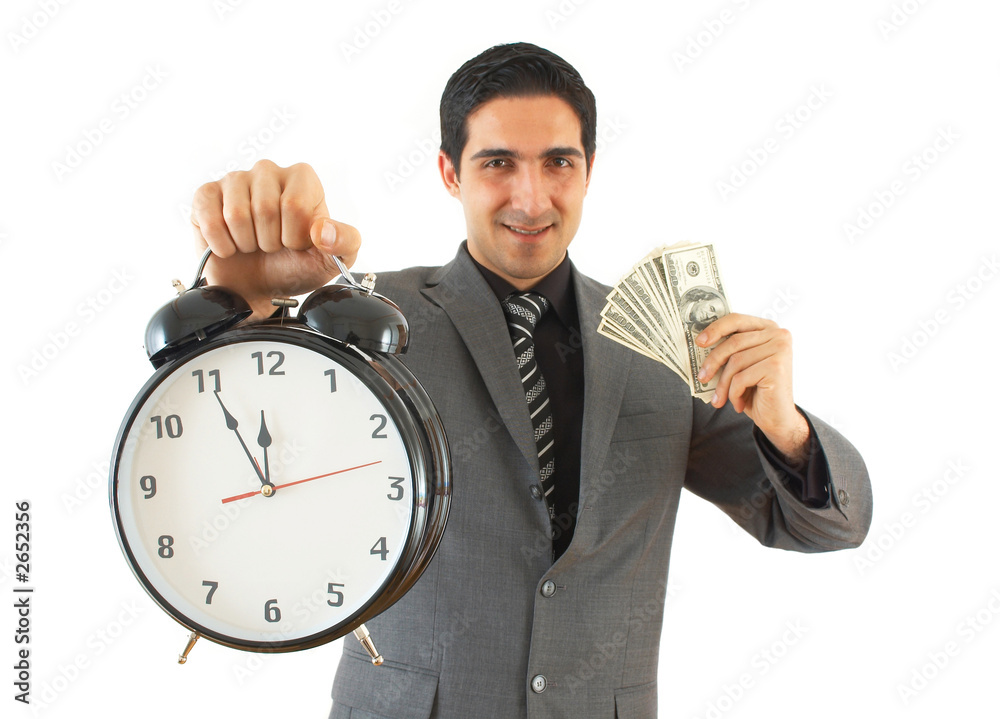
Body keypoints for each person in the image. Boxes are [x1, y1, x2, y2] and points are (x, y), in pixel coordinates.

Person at [190, 42, 872, 719]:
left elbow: (826, 526)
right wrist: (245, 302)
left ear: (589, 170)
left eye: (558, 163)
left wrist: (786, 428)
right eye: (498, 163)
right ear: (449, 173)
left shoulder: (665, 346)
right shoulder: (369, 319)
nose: (531, 196)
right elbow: (230, 427)